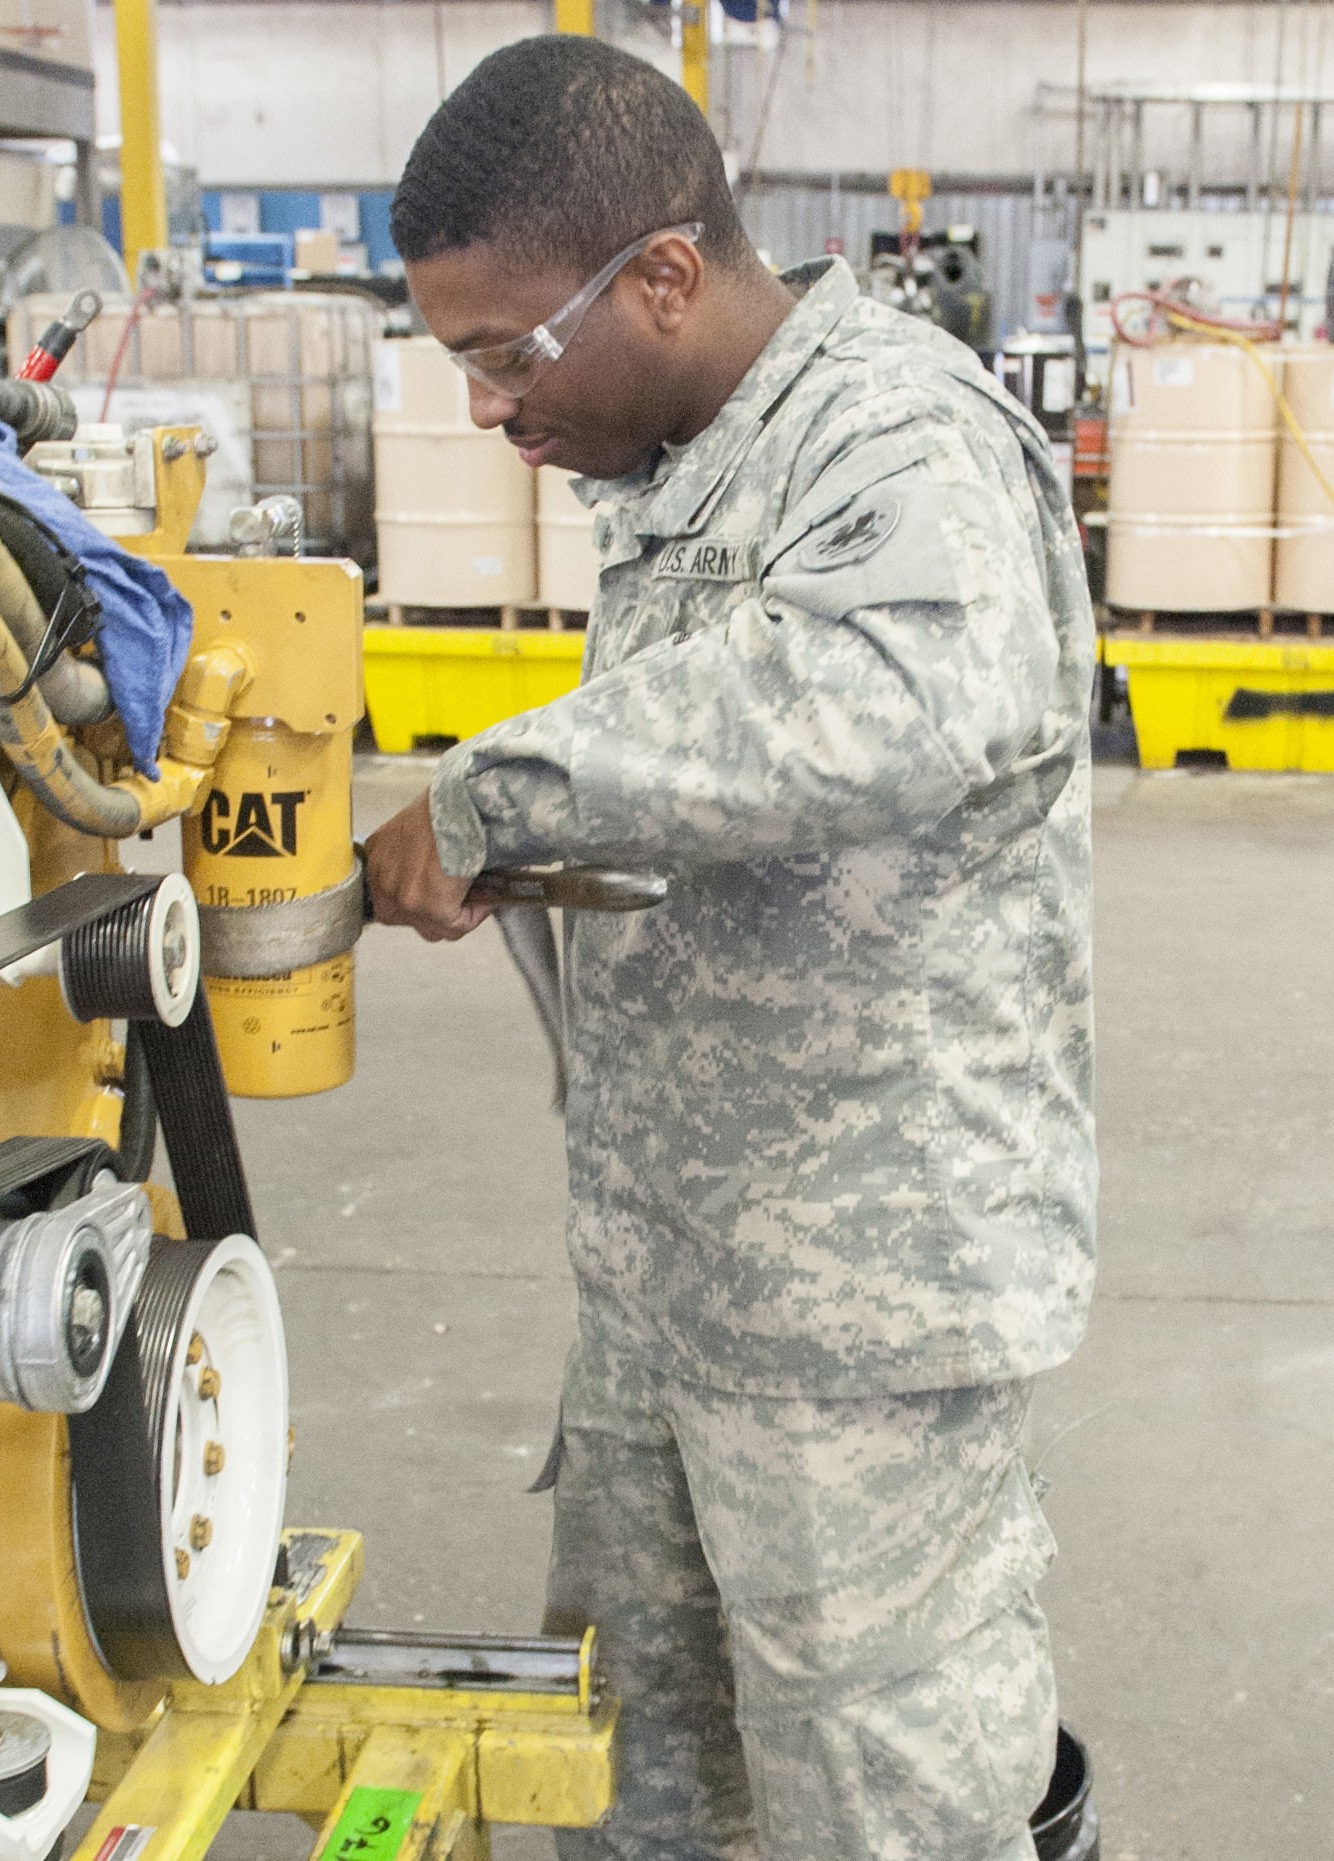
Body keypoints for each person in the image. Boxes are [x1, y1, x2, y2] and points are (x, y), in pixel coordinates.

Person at [361, 34, 1096, 1861]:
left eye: (505, 354)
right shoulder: (695, 456)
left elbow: (884, 699)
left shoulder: (892, 432)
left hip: (858, 1304)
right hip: (673, 1269)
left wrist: (493, 796)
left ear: (665, 277)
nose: (487, 409)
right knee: (635, 1762)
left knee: (882, 1790)